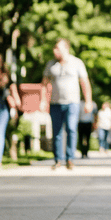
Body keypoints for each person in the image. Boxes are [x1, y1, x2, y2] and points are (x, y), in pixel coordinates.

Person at [41, 39, 94, 170]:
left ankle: (70, 159)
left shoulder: (76, 63)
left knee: (71, 128)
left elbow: (85, 83)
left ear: (66, 48)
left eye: (57, 48)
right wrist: (43, 100)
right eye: (54, 48)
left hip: (72, 103)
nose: (55, 51)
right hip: (55, 103)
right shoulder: (51, 65)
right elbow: (44, 84)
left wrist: (88, 101)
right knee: (57, 132)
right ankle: (58, 159)